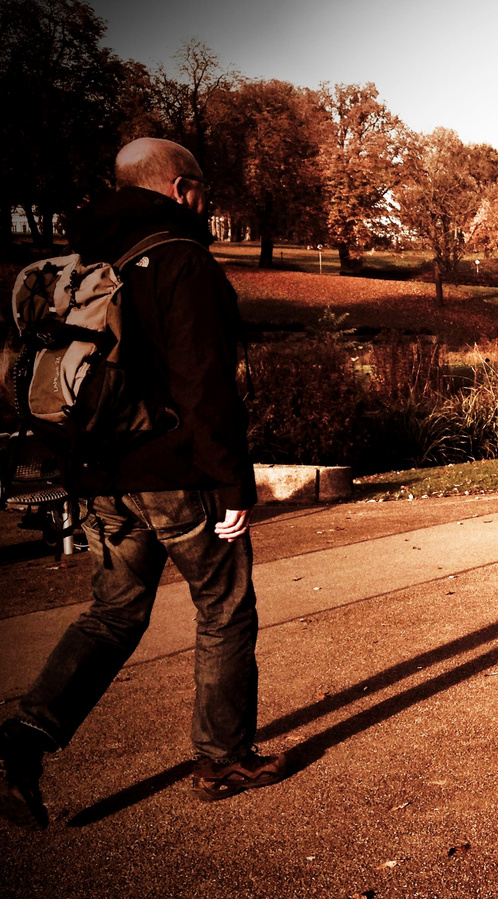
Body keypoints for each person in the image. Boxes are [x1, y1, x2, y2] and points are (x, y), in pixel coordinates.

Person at [0, 138, 283, 830]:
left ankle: (23, 740)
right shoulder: (182, 260)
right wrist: (232, 487)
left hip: (98, 476)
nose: (206, 201)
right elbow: (205, 384)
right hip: (175, 476)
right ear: (183, 190)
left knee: (114, 614)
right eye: (202, 190)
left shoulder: (86, 263)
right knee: (224, 607)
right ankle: (222, 761)